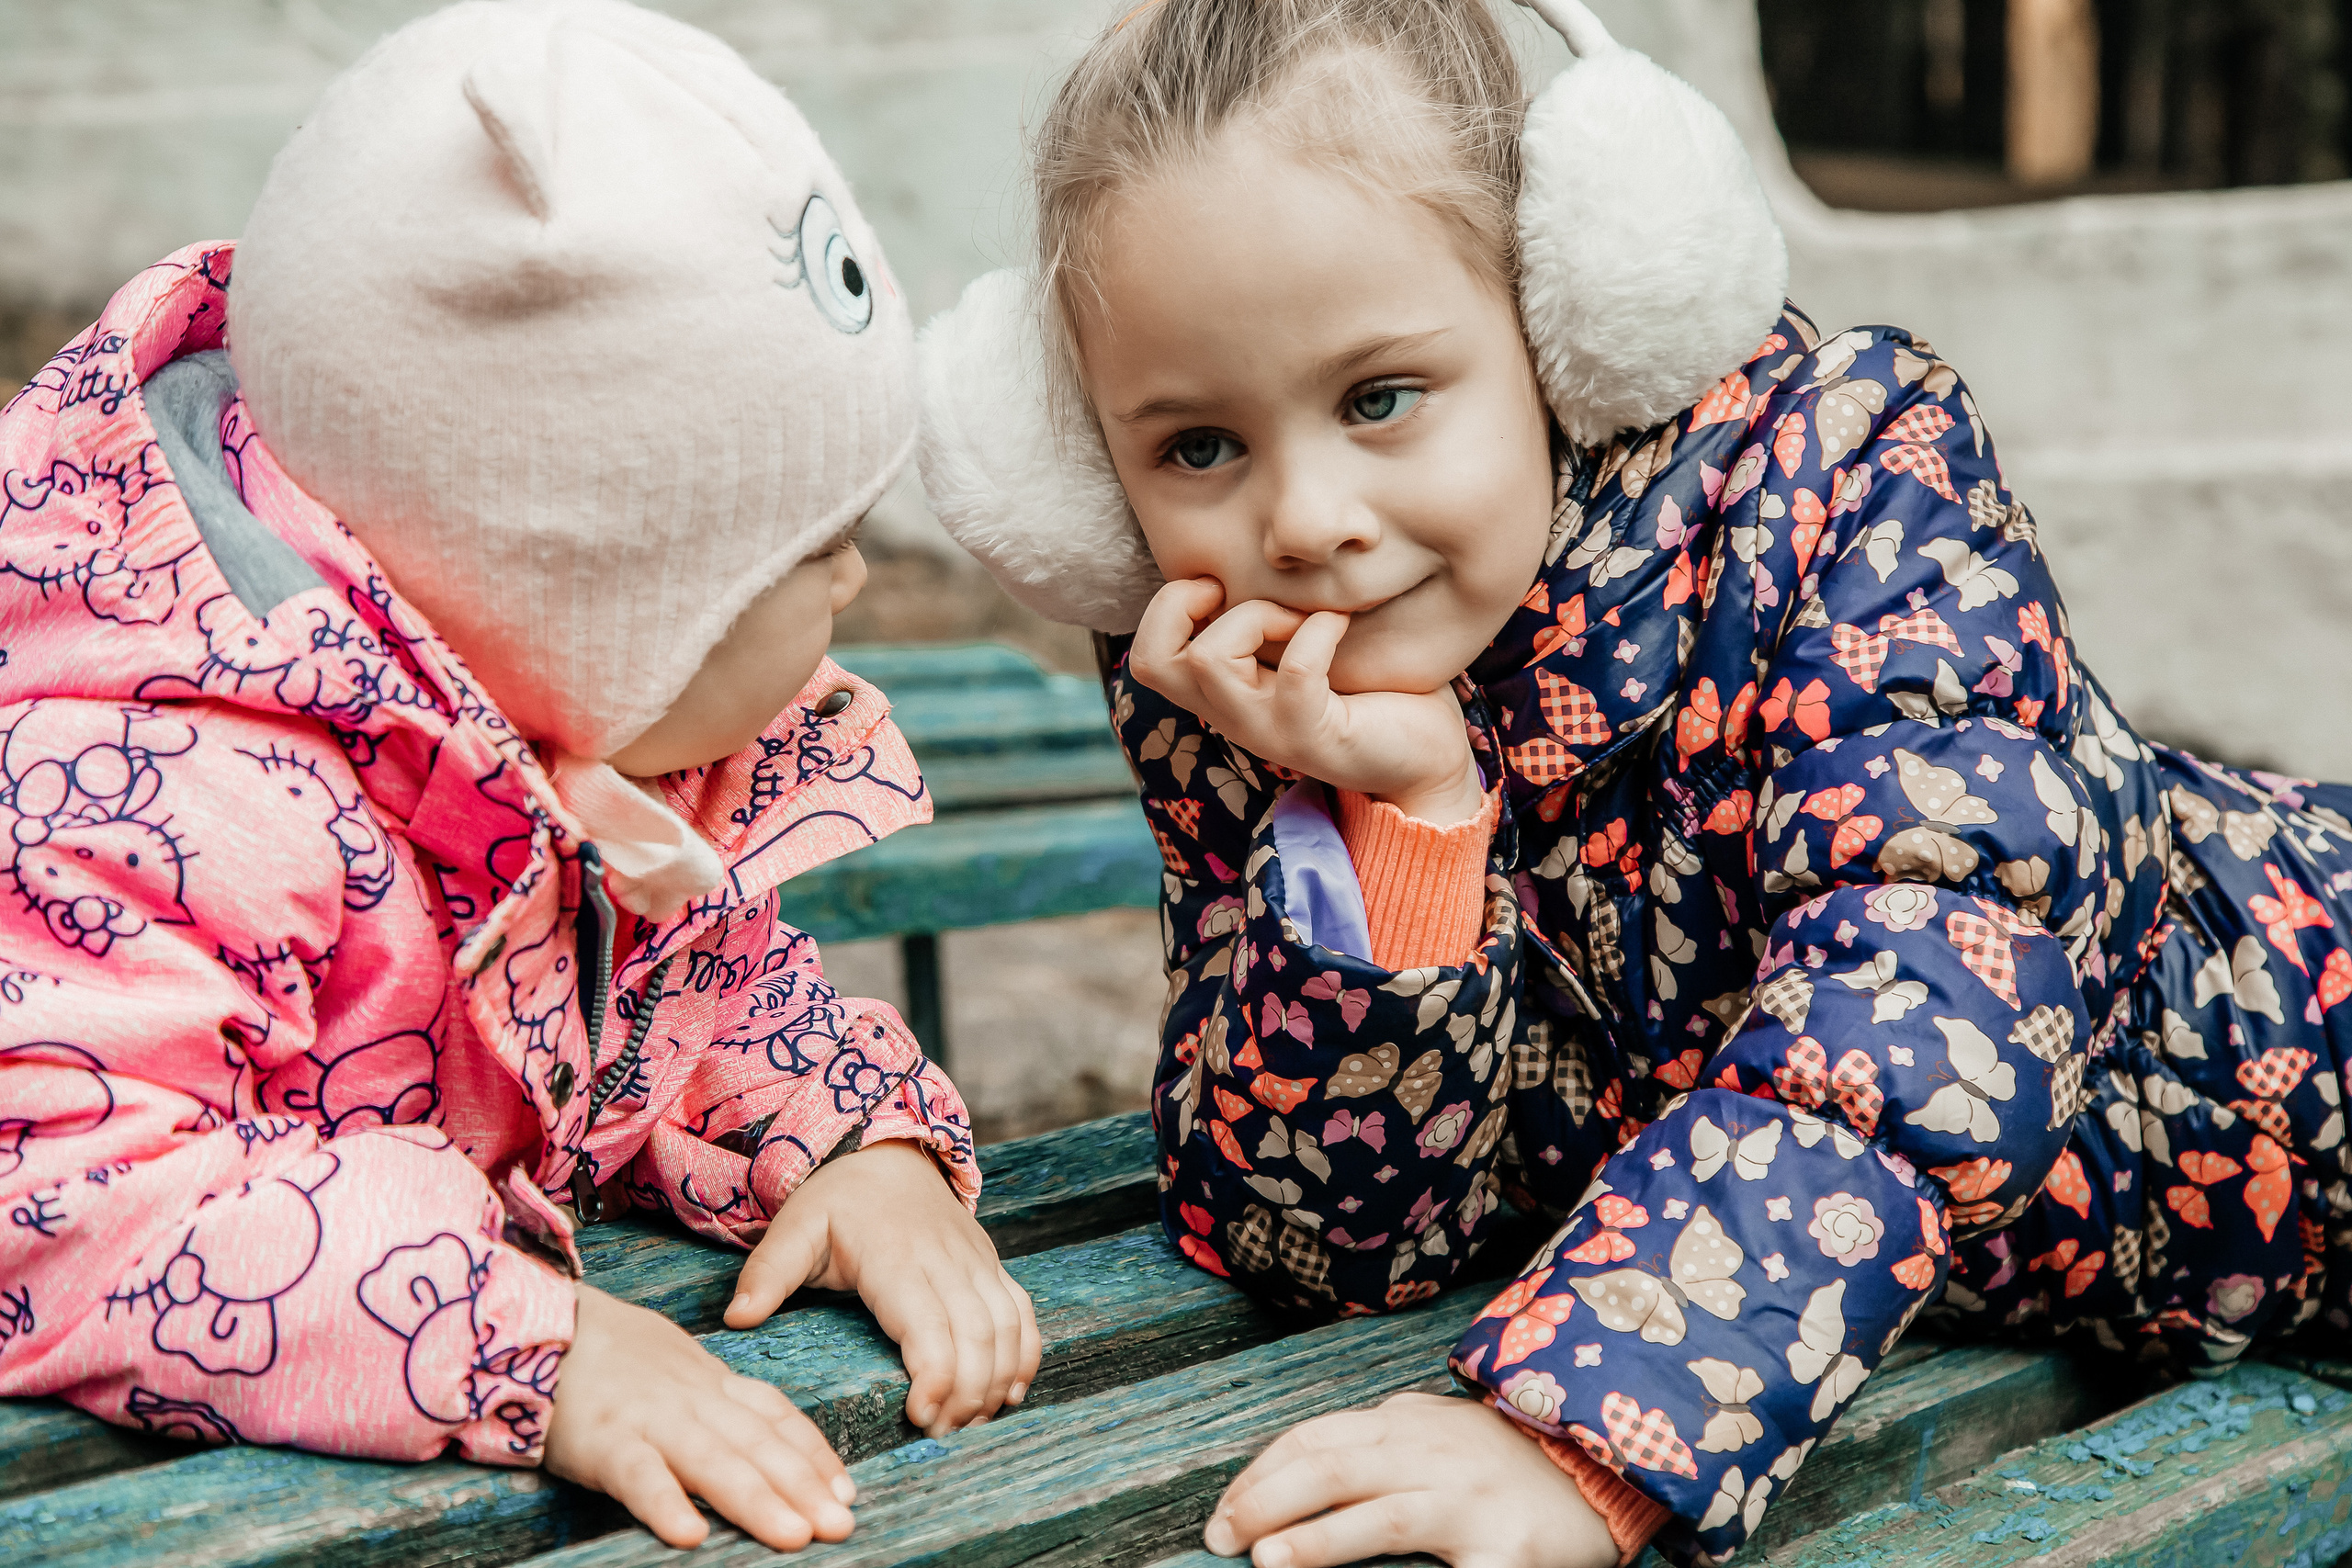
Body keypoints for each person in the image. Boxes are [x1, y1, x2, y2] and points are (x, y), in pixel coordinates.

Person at [916, 0, 2352, 1562]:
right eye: (1197, 446)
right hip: (2081, 1291)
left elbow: (1926, 999)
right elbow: (1320, 1239)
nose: (1305, 517)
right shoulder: (1239, 688)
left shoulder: (1846, 490)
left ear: (1563, 333)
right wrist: (1410, 832)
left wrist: (1595, 1430)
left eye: (1381, 395)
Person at [0, 0, 1038, 1552]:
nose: (856, 592)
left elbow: (697, 997)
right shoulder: (161, 800)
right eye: (812, 550)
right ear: (579, 591)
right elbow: (66, 1199)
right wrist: (517, 1340)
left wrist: (856, 1145)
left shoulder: (556, 731)